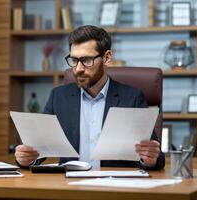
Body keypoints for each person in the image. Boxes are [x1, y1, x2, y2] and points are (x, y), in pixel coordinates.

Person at [15, 25, 165, 170]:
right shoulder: (59, 97)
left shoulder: (132, 98)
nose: (78, 69)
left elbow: (155, 157)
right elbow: (39, 150)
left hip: (114, 187)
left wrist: (150, 159)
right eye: (74, 60)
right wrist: (27, 158)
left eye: (86, 60)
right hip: (70, 187)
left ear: (106, 58)